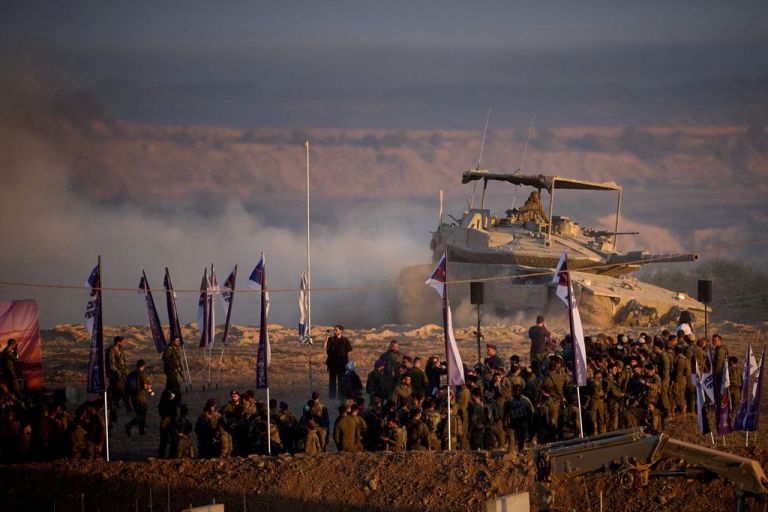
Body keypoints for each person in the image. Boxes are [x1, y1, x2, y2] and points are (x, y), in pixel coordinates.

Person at [324, 325, 352, 399]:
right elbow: (324, 347)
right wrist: (326, 339)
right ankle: (332, 396)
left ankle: (340, 396)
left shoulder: (345, 340)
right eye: (334, 330)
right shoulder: (331, 339)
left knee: (341, 381)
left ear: (341, 331)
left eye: (336, 330)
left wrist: (348, 364)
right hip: (332, 363)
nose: (335, 331)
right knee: (332, 381)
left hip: (342, 363)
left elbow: (349, 352)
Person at [125, 360, 151, 436]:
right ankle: (130, 425)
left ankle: (141, 430)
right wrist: (149, 387)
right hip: (141, 397)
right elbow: (145, 386)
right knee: (142, 414)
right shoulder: (142, 374)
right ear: (143, 366)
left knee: (138, 414)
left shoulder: (132, 374)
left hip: (133, 397)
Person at [105, 336, 129, 419]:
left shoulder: (120, 350)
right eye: (122, 342)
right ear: (118, 342)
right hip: (114, 375)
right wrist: (118, 372)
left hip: (121, 374)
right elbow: (111, 364)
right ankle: (125, 407)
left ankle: (109, 401)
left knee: (113, 389)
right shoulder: (111, 351)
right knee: (121, 390)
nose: (123, 344)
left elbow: (122, 363)